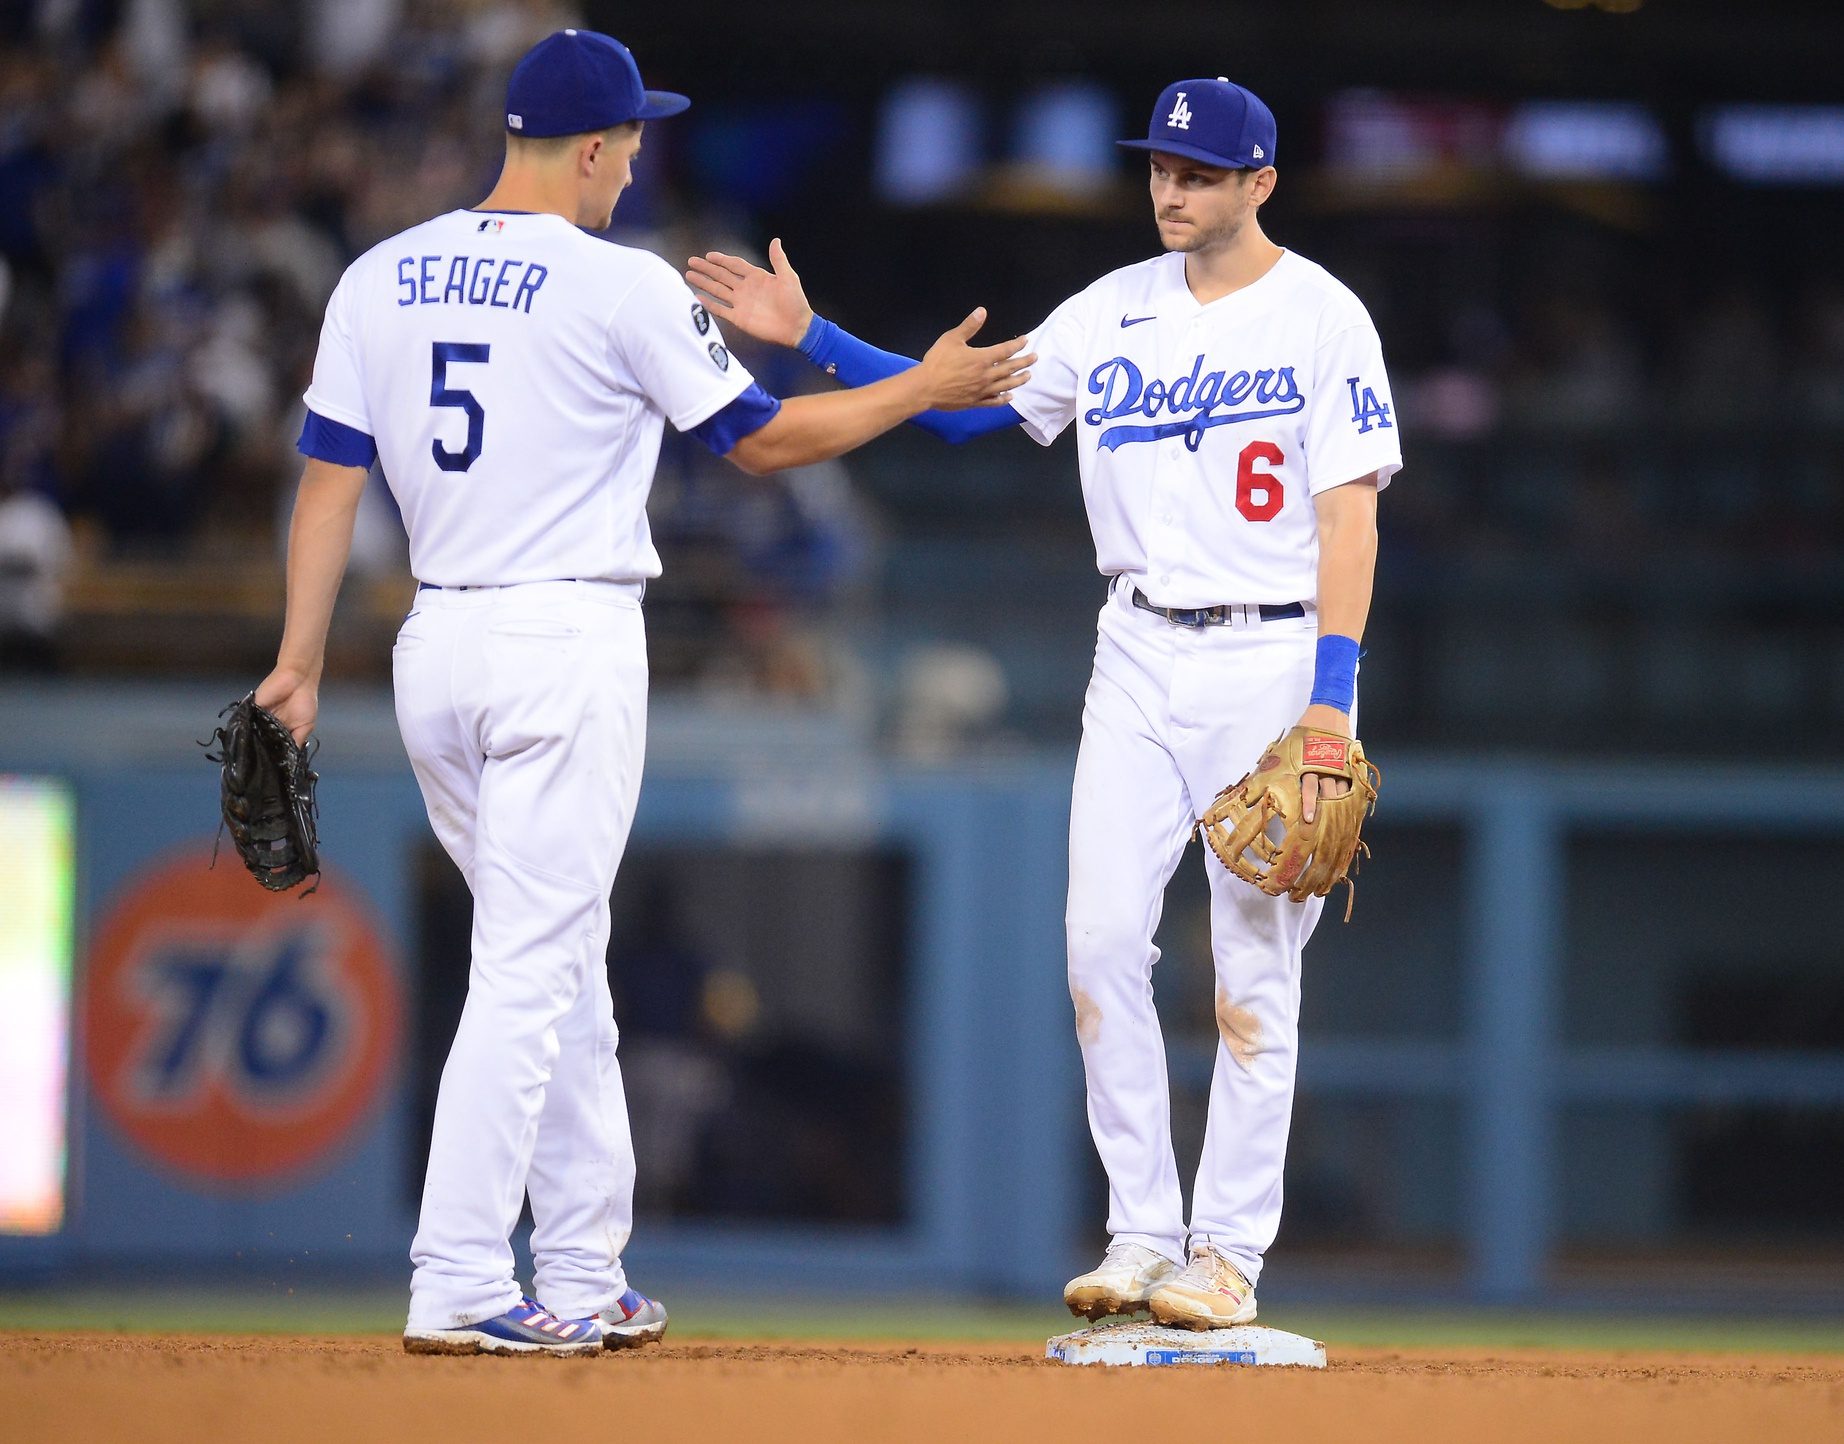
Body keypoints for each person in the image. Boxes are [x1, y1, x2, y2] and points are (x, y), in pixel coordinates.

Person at [254, 29, 1029, 1356]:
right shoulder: (618, 281)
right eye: (635, 139)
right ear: (601, 147)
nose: (639, 162)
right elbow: (767, 441)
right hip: (564, 642)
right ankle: (453, 1274)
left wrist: (297, 662)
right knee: (530, 966)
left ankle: (580, 1261)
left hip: (434, 648)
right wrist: (922, 389)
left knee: (559, 964)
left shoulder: (378, 275)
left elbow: (329, 482)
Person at [687, 77, 1401, 1329]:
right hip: (1131, 646)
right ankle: (1139, 1231)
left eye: (1199, 174)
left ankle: (1225, 1253)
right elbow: (963, 412)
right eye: (1160, 169)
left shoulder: (1324, 317)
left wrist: (1331, 702)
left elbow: (1351, 517)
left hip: (1269, 657)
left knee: (1250, 979)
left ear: (1259, 184)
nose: (1170, 189)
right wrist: (812, 335)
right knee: (1092, 949)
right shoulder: (1107, 309)